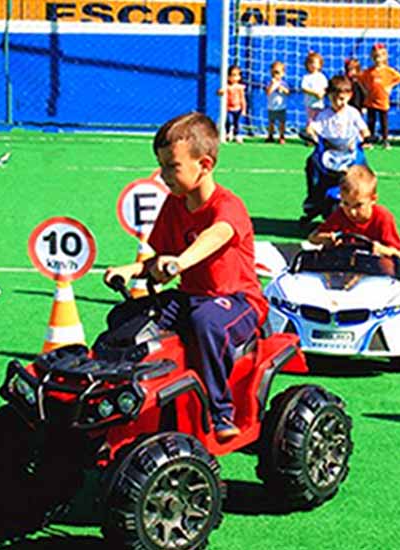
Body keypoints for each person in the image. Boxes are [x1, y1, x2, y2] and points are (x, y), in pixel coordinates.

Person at [104, 113, 267, 443]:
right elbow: (156, 259)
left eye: (172, 166)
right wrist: (131, 269)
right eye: (161, 165)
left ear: (204, 164)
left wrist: (180, 262)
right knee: (125, 317)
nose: (163, 175)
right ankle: (115, 399)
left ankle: (220, 412)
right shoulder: (174, 204)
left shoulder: (227, 205)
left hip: (239, 301)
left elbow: (217, 235)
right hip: (190, 297)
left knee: (206, 321)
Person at [303, 75, 371, 215]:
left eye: (342, 99)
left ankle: (366, 197)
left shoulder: (352, 113)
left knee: (364, 171)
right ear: (329, 96)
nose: (339, 102)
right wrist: (311, 135)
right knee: (311, 163)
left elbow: (364, 129)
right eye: (334, 99)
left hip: (349, 151)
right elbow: (313, 127)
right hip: (329, 152)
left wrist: (366, 137)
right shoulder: (324, 115)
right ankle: (313, 197)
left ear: (350, 96)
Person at [308, 164, 400, 260]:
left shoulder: (383, 217)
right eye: (346, 203)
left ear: (373, 199)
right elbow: (313, 237)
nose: (352, 212)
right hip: (346, 264)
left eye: (358, 205)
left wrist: (382, 250)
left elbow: (398, 253)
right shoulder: (341, 214)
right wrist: (326, 238)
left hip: (376, 267)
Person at [359, 43, 400, 149]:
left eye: (379, 56)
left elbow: (399, 78)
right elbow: (360, 80)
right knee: (371, 121)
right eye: (375, 56)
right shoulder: (369, 71)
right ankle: (369, 141)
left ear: (384, 57)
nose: (377, 59)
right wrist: (365, 90)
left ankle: (385, 140)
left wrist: (390, 87)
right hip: (370, 100)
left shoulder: (389, 71)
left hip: (383, 101)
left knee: (384, 122)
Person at [217, 65, 247, 143]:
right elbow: (219, 92)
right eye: (233, 75)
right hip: (229, 109)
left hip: (238, 109)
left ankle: (237, 135)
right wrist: (220, 92)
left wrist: (244, 109)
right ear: (228, 76)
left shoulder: (240, 87)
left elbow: (242, 99)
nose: (236, 77)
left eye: (238, 75)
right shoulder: (226, 86)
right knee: (229, 121)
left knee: (237, 123)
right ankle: (227, 134)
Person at [301, 51, 328, 124]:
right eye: (311, 63)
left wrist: (322, 93)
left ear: (320, 65)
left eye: (315, 63)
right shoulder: (306, 77)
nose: (313, 65)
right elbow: (304, 88)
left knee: (320, 120)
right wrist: (315, 93)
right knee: (311, 121)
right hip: (310, 104)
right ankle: (310, 133)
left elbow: (325, 87)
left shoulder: (322, 77)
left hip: (320, 105)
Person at [265, 61, 289, 144]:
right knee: (271, 122)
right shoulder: (269, 83)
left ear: (283, 73)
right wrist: (273, 85)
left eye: (277, 72)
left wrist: (281, 87)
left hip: (281, 107)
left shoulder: (284, 83)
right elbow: (268, 92)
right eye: (273, 72)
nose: (275, 75)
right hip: (271, 107)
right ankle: (270, 136)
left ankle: (281, 136)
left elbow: (287, 92)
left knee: (282, 123)